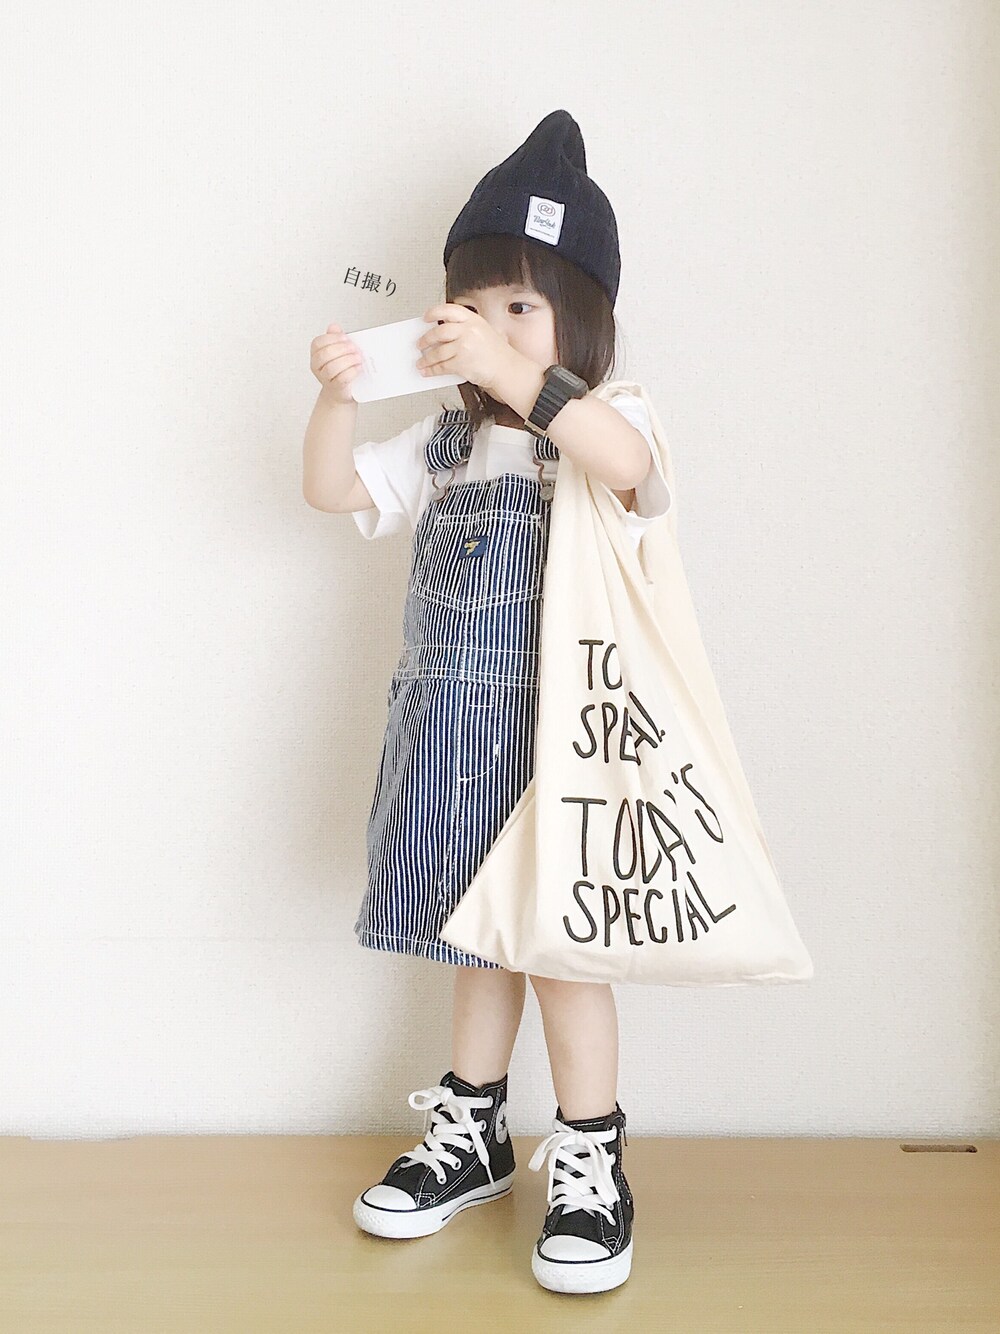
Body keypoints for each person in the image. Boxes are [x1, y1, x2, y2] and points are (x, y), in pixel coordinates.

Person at [302, 110, 672, 1296]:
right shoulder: (446, 444)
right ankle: (472, 1130)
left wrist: (520, 375)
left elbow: (630, 469)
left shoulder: (604, 425)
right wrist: (340, 395)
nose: (497, 329)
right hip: (455, 738)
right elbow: (328, 490)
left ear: (584, 318)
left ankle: (590, 1152)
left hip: (566, 746)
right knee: (474, 941)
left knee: (561, 954)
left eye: (524, 304)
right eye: (476, 304)